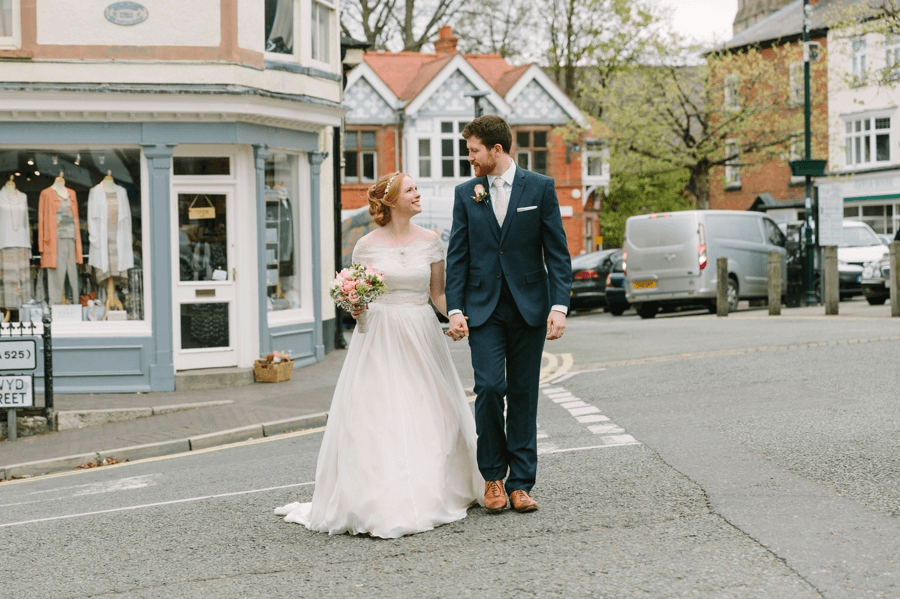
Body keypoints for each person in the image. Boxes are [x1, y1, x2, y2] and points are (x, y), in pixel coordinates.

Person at [275, 172, 483, 538]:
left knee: (431, 409)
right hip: (380, 334)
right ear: (391, 201)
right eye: (411, 190)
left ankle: (439, 484)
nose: (418, 194)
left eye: (417, 188)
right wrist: (355, 306)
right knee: (380, 413)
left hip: (420, 330)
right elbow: (359, 294)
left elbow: (437, 293)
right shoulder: (366, 246)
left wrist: (455, 314)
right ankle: (380, 494)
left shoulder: (432, 241)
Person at [445, 114, 572, 514]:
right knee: (488, 389)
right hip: (483, 310)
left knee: (522, 394)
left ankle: (520, 484)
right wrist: (455, 309)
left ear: (496, 150)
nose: (469, 157)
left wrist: (559, 306)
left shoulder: (540, 188)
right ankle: (493, 479)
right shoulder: (467, 194)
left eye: (474, 150)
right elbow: (458, 257)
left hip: (529, 308)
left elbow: (557, 252)